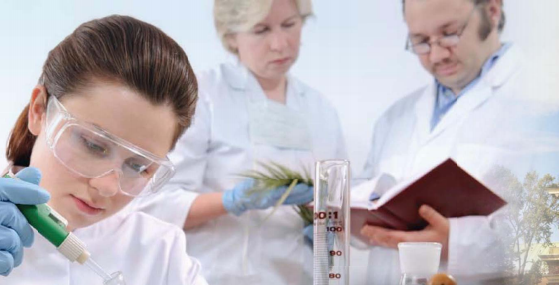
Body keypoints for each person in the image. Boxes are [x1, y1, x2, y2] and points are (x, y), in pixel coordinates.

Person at [130, 0, 347, 284]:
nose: (280, 44)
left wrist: (328, 222)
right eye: (261, 30)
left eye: (290, 25)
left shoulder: (321, 110)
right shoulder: (202, 95)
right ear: (231, 35)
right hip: (215, 275)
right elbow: (154, 202)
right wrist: (232, 201)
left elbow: (342, 203)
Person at [1, 15, 207, 285]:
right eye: (93, 145)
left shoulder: (161, 253)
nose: (109, 187)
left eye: (138, 166)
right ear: (39, 110)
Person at [358, 0, 529, 283]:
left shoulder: (544, 100)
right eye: (421, 42)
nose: (437, 55)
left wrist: (460, 243)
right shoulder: (393, 119)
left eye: (449, 33)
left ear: (492, 11)